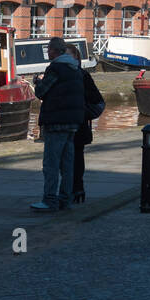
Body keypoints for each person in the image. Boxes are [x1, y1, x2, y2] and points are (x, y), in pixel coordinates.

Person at [29, 37, 85, 211]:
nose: (48, 53)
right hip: (72, 122)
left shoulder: (55, 68)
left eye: (49, 50)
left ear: (54, 51)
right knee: (67, 164)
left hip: (56, 122)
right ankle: (65, 199)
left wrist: (38, 82)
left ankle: (49, 200)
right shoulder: (75, 69)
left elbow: (41, 92)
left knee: (51, 164)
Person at [68, 43, 105, 204]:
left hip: (78, 124)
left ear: (76, 58)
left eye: (69, 55)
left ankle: (77, 188)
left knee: (76, 157)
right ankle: (70, 189)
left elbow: (97, 100)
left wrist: (84, 113)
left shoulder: (83, 76)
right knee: (67, 159)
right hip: (65, 123)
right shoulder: (58, 73)